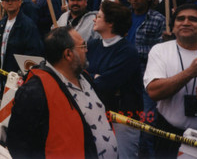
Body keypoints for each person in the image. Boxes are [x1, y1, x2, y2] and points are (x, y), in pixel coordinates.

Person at [7, 27, 118, 158]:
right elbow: (18, 146)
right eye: (83, 46)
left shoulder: (85, 77)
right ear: (68, 54)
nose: (86, 50)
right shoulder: (35, 91)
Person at [144, 4, 197, 158]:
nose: (186, 22)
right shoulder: (160, 51)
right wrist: (190, 72)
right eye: (180, 19)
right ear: (173, 26)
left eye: (193, 19)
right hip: (169, 135)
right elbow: (154, 91)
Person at [88, 0, 142, 158]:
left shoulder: (128, 52)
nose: (94, 19)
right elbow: (80, 75)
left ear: (110, 23)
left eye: (98, 16)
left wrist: (93, 78)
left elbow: (105, 85)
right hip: (97, 115)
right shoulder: (92, 45)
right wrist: (94, 77)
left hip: (123, 120)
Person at [125, 0, 166, 157]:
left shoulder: (158, 20)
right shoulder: (123, 16)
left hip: (146, 78)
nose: (135, 0)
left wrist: (131, 52)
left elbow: (159, 51)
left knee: (148, 123)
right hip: (126, 78)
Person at [0, 0, 43, 88]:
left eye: (13, 0)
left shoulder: (28, 25)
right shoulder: (1, 24)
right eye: (6, 0)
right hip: (3, 75)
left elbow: (33, 53)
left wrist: (23, 75)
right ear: (2, 4)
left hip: (19, 79)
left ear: (20, 2)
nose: (10, 3)